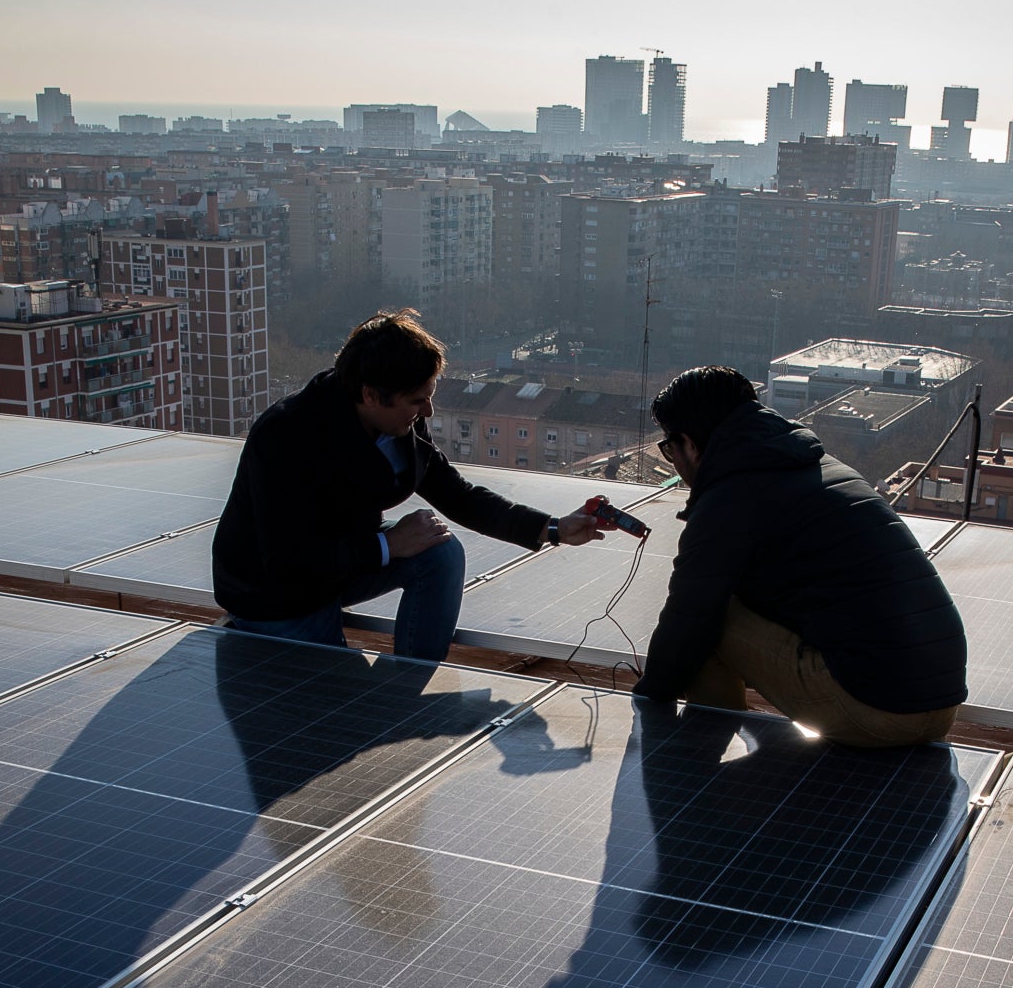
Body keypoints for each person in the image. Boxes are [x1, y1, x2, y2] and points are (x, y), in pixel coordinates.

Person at [212, 310, 602, 662]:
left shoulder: (397, 420)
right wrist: (389, 545)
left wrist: (553, 528)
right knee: (334, 711)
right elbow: (288, 563)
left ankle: (409, 680)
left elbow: (457, 493)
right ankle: (256, 636)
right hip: (277, 591)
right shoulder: (286, 436)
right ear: (369, 395)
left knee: (441, 552)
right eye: (418, 401)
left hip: (344, 559)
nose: (427, 412)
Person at [635, 366, 967, 747]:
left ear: (690, 444)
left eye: (669, 449)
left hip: (877, 711)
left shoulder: (729, 498)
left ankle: (696, 757)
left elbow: (688, 618)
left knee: (710, 616)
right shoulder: (813, 463)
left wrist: (647, 705)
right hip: (941, 703)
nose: (673, 462)